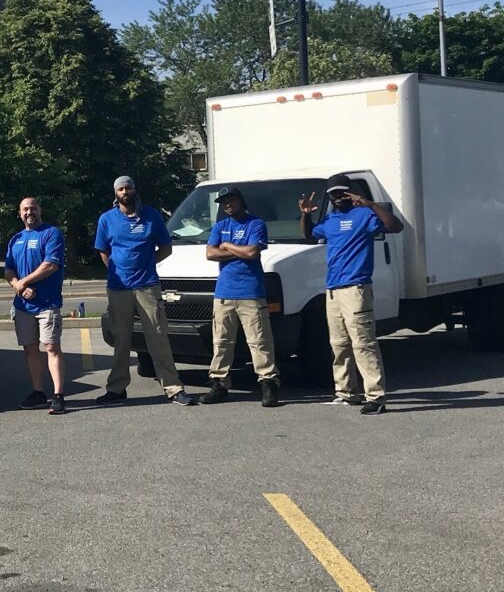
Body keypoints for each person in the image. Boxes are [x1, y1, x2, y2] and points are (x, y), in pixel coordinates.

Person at [299, 173, 405, 415]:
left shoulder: (364, 215)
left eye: (342, 192)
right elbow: (309, 234)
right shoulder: (331, 219)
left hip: (356, 288)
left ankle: (376, 396)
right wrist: (306, 213)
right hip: (333, 289)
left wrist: (371, 204)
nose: (338, 197)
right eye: (333, 194)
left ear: (351, 192)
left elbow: (394, 226)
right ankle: (347, 392)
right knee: (338, 343)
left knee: (363, 343)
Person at [94, 175, 193, 406]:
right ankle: (117, 388)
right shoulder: (107, 219)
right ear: (116, 193)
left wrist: (147, 264)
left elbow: (166, 248)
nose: (125, 191)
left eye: (128, 187)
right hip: (119, 289)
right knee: (121, 340)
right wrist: (117, 271)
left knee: (158, 337)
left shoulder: (151, 215)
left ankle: (173, 388)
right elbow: (103, 252)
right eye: (120, 188)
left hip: (148, 286)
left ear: (134, 189)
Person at [201, 186, 281, 408]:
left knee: (259, 341)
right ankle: (219, 384)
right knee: (222, 342)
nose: (228, 204)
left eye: (231, 200)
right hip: (224, 293)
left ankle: (268, 383)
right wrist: (237, 249)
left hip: (251, 293)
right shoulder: (220, 226)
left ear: (241, 201)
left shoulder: (255, 224)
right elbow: (210, 253)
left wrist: (226, 246)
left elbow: (253, 252)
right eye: (224, 202)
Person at [5, 196, 68, 414]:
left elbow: (50, 265)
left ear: (39, 210)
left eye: (32, 208)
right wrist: (18, 285)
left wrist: (25, 281)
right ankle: (39, 393)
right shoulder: (16, 239)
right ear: (19, 213)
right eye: (25, 209)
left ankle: (58, 396)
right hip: (23, 305)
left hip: (47, 304)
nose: (29, 212)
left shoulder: (51, 233)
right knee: (30, 350)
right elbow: (8, 270)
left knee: (51, 347)